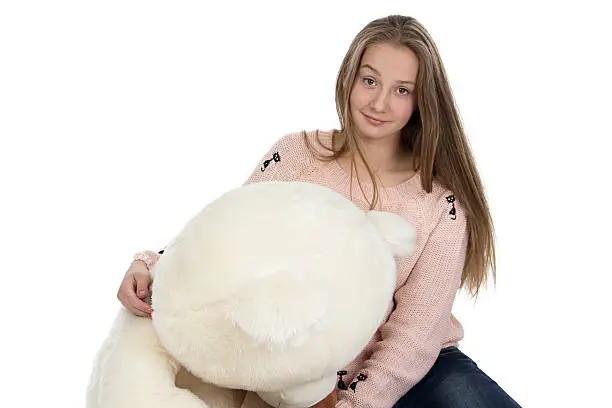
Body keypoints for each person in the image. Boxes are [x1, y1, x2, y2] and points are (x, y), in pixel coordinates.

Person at [117, 15, 521, 408]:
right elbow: (227, 239)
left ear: (421, 101)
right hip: (297, 373)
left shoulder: (441, 205)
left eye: (402, 90)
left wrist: (354, 404)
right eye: (370, 80)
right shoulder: (297, 155)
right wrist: (151, 266)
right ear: (349, 77)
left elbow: (415, 334)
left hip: (415, 371)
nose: (379, 102)